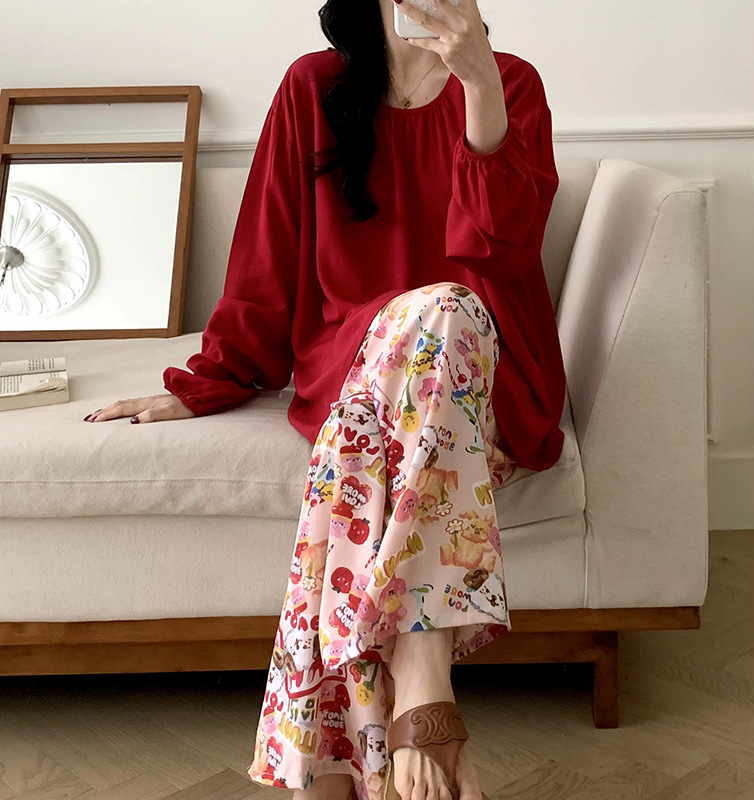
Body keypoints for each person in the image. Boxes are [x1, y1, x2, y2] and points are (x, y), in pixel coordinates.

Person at [84, 1, 565, 798]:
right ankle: (415, 703)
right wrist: (212, 380)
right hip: (358, 371)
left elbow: (500, 249)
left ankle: (329, 761)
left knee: (439, 313)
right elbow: (266, 254)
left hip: (481, 371)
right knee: (357, 432)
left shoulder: (512, 83)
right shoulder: (312, 88)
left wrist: (479, 87)